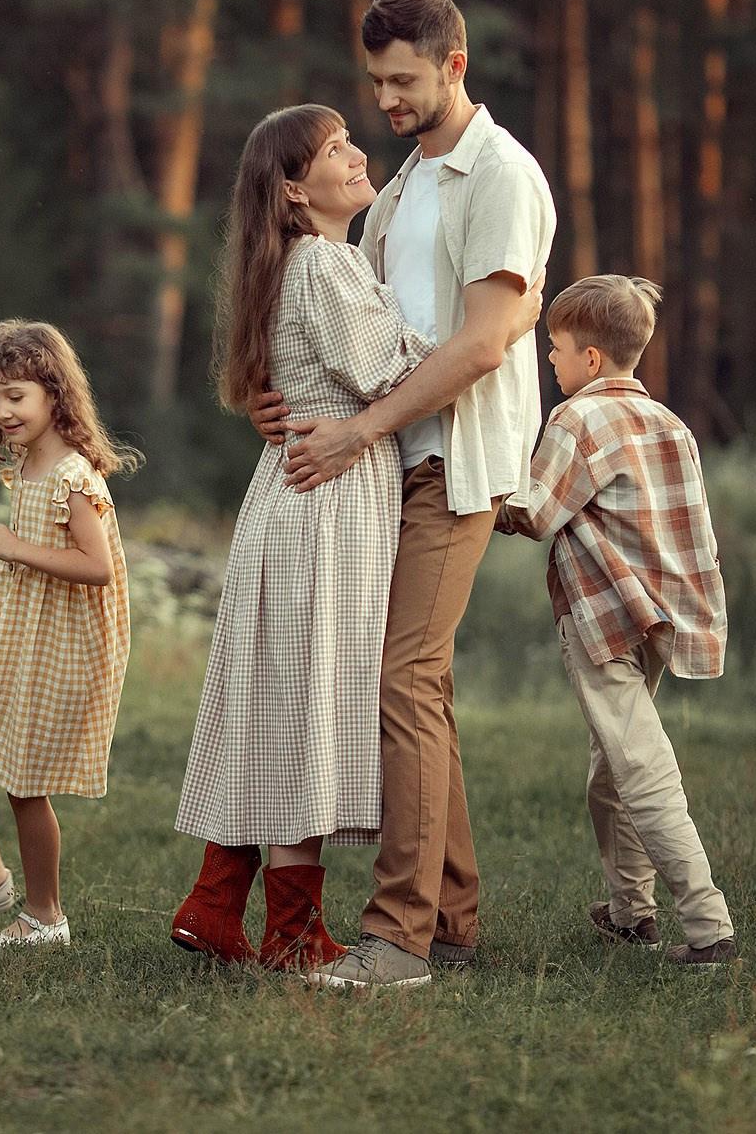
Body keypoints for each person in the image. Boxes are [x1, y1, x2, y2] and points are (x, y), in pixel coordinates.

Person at [170, 105, 544, 972]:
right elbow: (404, 364)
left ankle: (222, 899)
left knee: (284, 700)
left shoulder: (310, 262)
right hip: (325, 504)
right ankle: (285, 925)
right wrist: (507, 326)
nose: (357, 151)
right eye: (335, 148)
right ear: (294, 191)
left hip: (308, 495)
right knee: (308, 702)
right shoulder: (326, 265)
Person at [256, 0, 556, 989]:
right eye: (374, 80)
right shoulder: (399, 190)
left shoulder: (498, 177)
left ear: (453, 66)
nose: (382, 100)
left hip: (451, 461)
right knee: (416, 684)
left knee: (403, 681)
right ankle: (455, 917)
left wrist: (356, 433)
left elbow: (477, 343)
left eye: (400, 81)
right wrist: (291, 404)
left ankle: (396, 939)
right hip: (391, 465)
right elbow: (359, 332)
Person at [496, 275, 736, 967]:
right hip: (659, 617)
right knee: (612, 768)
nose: (550, 359)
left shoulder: (576, 420)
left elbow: (538, 512)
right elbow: (692, 534)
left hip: (602, 616)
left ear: (591, 358)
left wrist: (488, 496)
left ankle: (709, 925)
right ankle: (631, 912)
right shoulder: (671, 425)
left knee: (640, 765)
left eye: (556, 348)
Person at [0, 319, 135, 947]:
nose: (2, 410)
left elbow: (97, 568)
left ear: (55, 394)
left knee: (24, 782)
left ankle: (45, 917)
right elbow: (52, 554)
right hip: (22, 638)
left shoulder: (73, 476)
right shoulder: (29, 464)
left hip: (63, 651)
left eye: (17, 396)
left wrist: (17, 548)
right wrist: (9, 569)